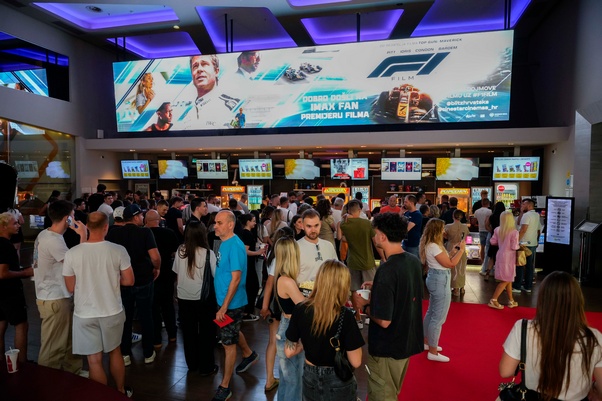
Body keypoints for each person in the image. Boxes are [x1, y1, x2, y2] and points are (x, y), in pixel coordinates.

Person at [352, 212, 424, 401]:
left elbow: (384, 320)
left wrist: (364, 306)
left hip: (387, 346)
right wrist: (379, 286)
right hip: (406, 340)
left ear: (383, 236)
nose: (374, 237)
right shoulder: (413, 261)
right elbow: (406, 292)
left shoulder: (387, 269)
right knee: (392, 392)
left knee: (382, 395)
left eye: (376, 233)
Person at [498, 272, 602, 401]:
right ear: (578, 301)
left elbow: (505, 371)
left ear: (542, 299)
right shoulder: (594, 337)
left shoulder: (524, 327)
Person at [63, 212, 134, 397]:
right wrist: (111, 279)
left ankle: (102, 397)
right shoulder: (118, 250)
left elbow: (70, 287)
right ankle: (120, 392)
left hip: (84, 313)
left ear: (86, 226)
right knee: (115, 351)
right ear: (106, 227)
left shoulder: (72, 253)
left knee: (94, 360)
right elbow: (129, 280)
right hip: (112, 310)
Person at [285, 260, 365, 401]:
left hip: (310, 378)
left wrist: (303, 344)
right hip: (338, 378)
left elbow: (289, 351)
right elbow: (356, 361)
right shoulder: (345, 315)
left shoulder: (300, 309)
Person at [33, 200, 86, 374]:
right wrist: (83, 235)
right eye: (73, 215)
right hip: (55, 298)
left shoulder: (45, 234)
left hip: (55, 295)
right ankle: (47, 382)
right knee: (53, 347)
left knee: (68, 339)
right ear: (67, 218)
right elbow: (77, 264)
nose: (74, 219)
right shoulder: (53, 241)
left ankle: (74, 372)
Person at [106, 204, 161, 366]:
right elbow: (155, 256)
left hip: (122, 281)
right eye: (141, 215)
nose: (143, 218)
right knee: (146, 316)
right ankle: (148, 353)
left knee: (125, 317)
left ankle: (125, 353)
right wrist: (157, 268)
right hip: (143, 279)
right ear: (136, 217)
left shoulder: (114, 233)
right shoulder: (145, 232)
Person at [212, 210, 258, 401]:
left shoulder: (236, 245)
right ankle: (248, 353)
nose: (215, 226)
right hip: (223, 301)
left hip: (231, 303)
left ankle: (225, 386)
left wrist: (224, 307)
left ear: (230, 225)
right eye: (215, 222)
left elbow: (236, 278)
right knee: (231, 330)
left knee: (227, 344)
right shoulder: (224, 242)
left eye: (219, 223)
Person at [172, 220, 218, 375]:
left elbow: (177, 273)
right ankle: (206, 367)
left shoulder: (180, 250)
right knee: (207, 333)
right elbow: (215, 275)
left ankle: (192, 364)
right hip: (204, 298)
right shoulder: (208, 253)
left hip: (184, 297)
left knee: (188, 332)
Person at [420, 218, 465, 363]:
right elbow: (451, 264)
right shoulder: (434, 246)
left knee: (432, 312)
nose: (444, 231)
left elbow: (445, 260)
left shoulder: (432, 245)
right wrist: (461, 251)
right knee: (438, 317)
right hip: (440, 280)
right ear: (437, 230)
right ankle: (432, 351)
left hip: (436, 278)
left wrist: (453, 251)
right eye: (442, 228)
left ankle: (426, 342)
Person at [260, 226, 295, 394]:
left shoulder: (271, 256)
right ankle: (284, 379)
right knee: (282, 341)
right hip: (279, 302)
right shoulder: (280, 259)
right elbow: (269, 282)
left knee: (273, 341)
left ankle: (269, 379)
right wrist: (265, 306)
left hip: (274, 301)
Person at [338, 199, 382, 328]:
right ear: (359, 210)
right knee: (372, 288)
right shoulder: (367, 224)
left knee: (354, 290)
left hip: (352, 261)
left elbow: (340, 238)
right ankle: (369, 315)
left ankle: (357, 318)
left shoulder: (343, 223)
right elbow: (376, 242)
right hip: (367, 261)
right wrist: (384, 257)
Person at [274, 236, 305, 401]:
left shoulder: (282, 277)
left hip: (286, 327)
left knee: (287, 381)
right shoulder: (287, 281)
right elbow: (304, 307)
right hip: (290, 330)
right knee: (294, 382)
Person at [0, 212, 33, 364]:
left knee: (1, 325)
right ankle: (21, 363)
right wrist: (24, 273)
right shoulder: (5, 246)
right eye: (14, 223)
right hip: (10, 292)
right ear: (3, 226)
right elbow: (3, 273)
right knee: (21, 325)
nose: (18, 225)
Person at [144, 210, 180, 347]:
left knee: (153, 307)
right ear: (159, 220)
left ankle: (157, 340)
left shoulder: (144, 234)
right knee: (168, 305)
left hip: (150, 275)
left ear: (146, 221)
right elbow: (175, 253)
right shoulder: (169, 233)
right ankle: (172, 335)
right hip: (167, 274)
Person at [181, 55, 239, 130]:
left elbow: (239, 132)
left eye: (204, 64)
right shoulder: (187, 114)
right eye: (195, 66)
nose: (199, 69)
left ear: (216, 71)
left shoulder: (231, 107)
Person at [296, 209, 338, 290]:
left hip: (327, 293)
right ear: (302, 226)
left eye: (316, 225)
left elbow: (336, 271)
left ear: (320, 224)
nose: (313, 230)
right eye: (309, 226)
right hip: (304, 295)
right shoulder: (295, 248)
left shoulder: (328, 245)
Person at [487, 210, 520, 310]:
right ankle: (494, 299)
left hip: (500, 254)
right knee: (507, 279)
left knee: (508, 278)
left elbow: (493, 241)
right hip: (509, 256)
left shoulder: (498, 229)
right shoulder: (514, 232)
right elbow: (514, 246)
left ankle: (511, 300)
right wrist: (520, 245)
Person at [237, 214, 266, 322]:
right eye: (253, 221)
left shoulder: (242, 233)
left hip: (246, 264)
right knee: (252, 287)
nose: (255, 223)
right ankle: (247, 312)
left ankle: (246, 311)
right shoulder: (247, 234)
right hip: (248, 264)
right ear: (248, 222)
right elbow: (246, 251)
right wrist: (258, 252)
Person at [514, 198, 541, 294]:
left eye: (523, 204)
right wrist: (537, 240)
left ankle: (517, 286)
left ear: (529, 205)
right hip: (532, 243)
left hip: (523, 244)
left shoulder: (527, 215)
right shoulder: (536, 215)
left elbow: (523, 229)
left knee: (520, 265)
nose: (522, 206)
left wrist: (516, 241)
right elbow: (538, 230)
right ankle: (528, 286)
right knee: (530, 266)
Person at [444, 209, 469, 296]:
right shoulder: (465, 227)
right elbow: (466, 236)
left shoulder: (448, 226)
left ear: (453, 216)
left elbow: (445, 236)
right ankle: (461, 287)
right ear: (461, 217)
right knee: (461, 268)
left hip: (451, 247)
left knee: (452, 268)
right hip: (461, 247)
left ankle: (454, 288)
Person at [484, 202, 506, 279]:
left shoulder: (492, 216)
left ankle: (487, 273)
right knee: (501, 257)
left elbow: (486, 225)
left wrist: (492, 231)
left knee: (492, 257)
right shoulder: (504, 217)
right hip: (503, 238)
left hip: (494, 237)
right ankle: (499, 275)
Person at [475, 198, 493, 276]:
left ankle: (483, 263)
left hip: (480, 230)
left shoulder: (477, 211)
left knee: (482, 247)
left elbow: (474, 221)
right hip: (488, 230)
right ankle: (487, 265)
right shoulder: (490, 211)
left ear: (481, 203)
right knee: (488, 248)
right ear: (488, 203)